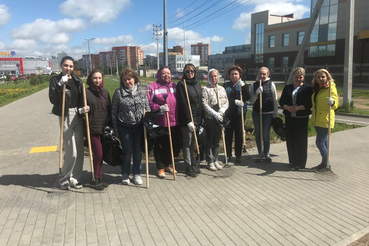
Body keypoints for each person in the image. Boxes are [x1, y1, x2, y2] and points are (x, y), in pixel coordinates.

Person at [49, 56, 89, 190]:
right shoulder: (55, 80)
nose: (68, 68)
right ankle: (64, 177)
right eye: (66, 65)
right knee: (71, 151)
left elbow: (80, 98)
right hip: (65, 114)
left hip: (78, 115)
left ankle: (75, 178)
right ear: (61, 66)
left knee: (79, 149)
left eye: (71, 66)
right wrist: (60, 85)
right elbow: (53, 99)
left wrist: (82, 108)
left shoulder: (77, 81)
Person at [112, 69, 150, 185]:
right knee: (127, 152)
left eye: (129, 79)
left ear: (134, 78)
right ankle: (125, 173)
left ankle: (137, 174)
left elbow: (147, 107)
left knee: (138, 152)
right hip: (124, 127)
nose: (127, 81)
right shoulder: (119, 93)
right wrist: (115, 128)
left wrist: (147, 120)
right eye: (124, 80)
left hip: (139, 127)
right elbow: (114, 112)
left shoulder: (141, 91)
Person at [147, 66, 179, 179]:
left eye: (168, 73)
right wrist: (159, 107)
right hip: (160, 121)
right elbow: (148, 102)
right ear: (159, 74)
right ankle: (160, 167)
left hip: (174, 121)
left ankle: (168, 164)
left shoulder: (175, 86)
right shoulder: (153, 87)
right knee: (160, 145)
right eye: (164, 73)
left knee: (171, 144)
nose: (167, 75)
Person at [279, 67, 313, 170]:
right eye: (297, 77)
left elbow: (310, 103)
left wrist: (298, 108)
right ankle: (292, 161)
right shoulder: (288, 87)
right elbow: (282, 101)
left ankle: (300, 163)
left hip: (302, 118)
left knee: (301, 141)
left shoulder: (308, 88)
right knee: (291, 140)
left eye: (301, 77)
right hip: (290, 117)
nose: (299, 79)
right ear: (293, 77)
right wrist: (288, 107)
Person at [85, 69, 111, 188]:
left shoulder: (105, 92)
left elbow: (109, 109)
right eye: (95, 78)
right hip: (93, 128)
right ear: (91, 79)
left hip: (103, 128)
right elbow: (81, 112)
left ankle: (99, 177)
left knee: (101, 154)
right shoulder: (86, 92)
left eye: (99, 78)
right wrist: (82, 110)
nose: (97, 80)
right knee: (98, 154)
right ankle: (94, 179)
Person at [176, 64, 203, 177]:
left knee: (194, 142)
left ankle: (193, 162)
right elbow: (183, 103)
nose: (190, 73)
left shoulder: (197, 83)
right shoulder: (182, 84)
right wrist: (188, 121)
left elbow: (200, 101)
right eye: (187, 71)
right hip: (187, 118)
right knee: (188, 142)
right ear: (184, 73)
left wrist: (201, 119)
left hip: (197, 117)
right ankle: (188, 166)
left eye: (192, 71)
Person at [311, 68, 338, 172]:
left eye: (323, 76)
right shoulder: (317, 88)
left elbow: (335, 104)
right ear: (316, 78)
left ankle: (327, 164)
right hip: (317, 119)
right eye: (319, 77)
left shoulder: (331, 88)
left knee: (320, 143)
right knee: (325, 143)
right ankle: (324, 163)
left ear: (327, 77)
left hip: (325, 119)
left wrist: (332, 103)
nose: (321, 78)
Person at [249, 67, 278, 162]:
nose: (262, 76)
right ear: (258, 74)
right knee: (258, 134)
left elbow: (275, 99)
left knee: (265, 134)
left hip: (268, 113)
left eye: (264, 74)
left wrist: (275, 113)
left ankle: (267, 153)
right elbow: (251, 102)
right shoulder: (254, 85)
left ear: (268, 75)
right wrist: (256, 94)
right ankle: (260, 153)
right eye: (260, 74)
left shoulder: (271, 84)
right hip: (257, 113)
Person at [202, 68, 229, 171]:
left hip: (220, 118)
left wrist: (222, 110)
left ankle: (216, 159)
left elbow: (226, 102)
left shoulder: (222, 88)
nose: (214, 78)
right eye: (211, 76)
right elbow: (204, 104)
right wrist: (214, 113)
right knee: (210, 140)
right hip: (210, 118)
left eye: (215, 76)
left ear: (218, 77)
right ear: (209, 77)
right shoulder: (205, 89)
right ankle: (210, 161)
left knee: (217, 141)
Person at [223, 65, 251, 163]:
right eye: (232, 74)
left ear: (239, 75)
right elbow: (223, 99)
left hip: (240, 114)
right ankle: (228, 154)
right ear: (229, 76)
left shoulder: (243, 85)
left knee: (239, 135)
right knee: (228, 135)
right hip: (229, 113)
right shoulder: (226, 86)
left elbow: (247, 97)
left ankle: (238, 155)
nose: (234, 76)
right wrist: (233, 101)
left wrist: (243, 87)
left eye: (236, 74)